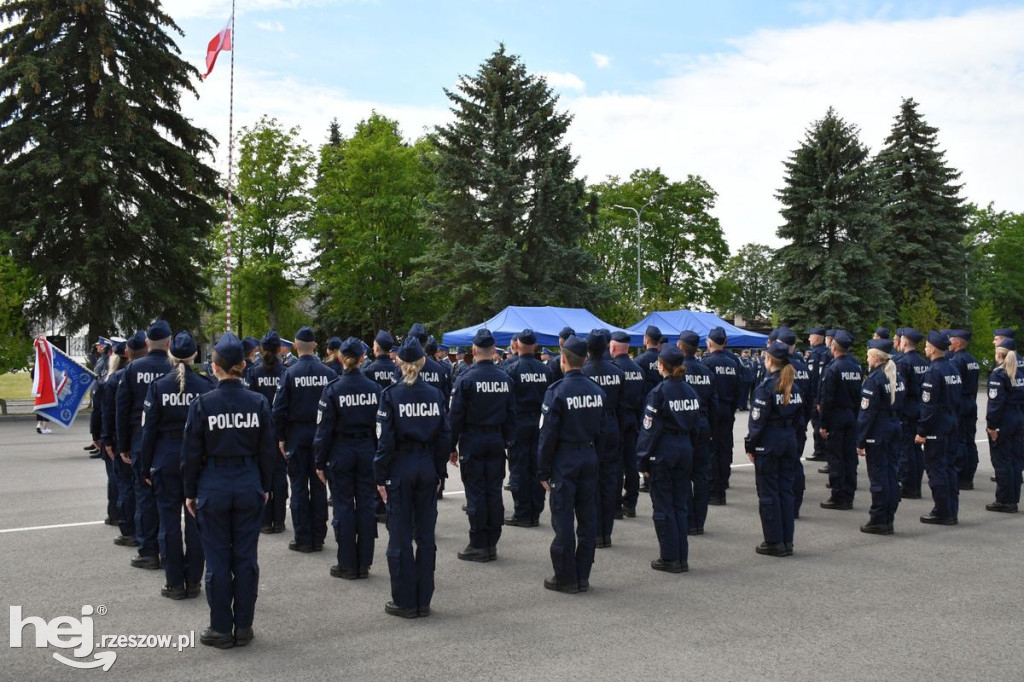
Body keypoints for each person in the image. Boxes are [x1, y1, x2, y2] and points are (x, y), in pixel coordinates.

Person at [182, 333, 277, 649]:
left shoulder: (204, 404)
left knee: (218, 559)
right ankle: (244, 627)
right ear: (241, 365)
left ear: (216, 366)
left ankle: (221, 628)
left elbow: (191, 454)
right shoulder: (258, 402)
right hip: (248, 482)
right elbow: (267, 451)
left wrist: (190, 492)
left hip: (215, 484)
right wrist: (264, 486)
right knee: (246, 559)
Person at [374, 337, 450, 618]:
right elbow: (444, 437)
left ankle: (405, 600)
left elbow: (385, 442)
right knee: (426, 535)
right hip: (427, 466)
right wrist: (439, 471)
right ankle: (423, 599)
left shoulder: (391, 395)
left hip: (401, 467)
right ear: (422, 363)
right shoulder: (435, 394)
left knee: (400, 535)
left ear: (399, 362)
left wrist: (380, 476)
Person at [139, 330, 215, 599]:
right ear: (195, 354)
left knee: (168, 523)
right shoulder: (206, 386)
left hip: (165, 458)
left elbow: (148, 431)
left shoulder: (159, 386)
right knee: (196, 523)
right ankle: (193, 580)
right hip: (197, 460)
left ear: (170, 351)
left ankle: (174, 582)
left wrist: (144, 465)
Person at [537, 335, 607, 593]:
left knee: (563, 518)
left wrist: (542, 470)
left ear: (563, 360)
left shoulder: (557, 391)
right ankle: (583, 574)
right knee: (588, 518)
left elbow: (547, 436)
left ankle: (565, 576)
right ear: (585, 360)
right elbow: (603, 431)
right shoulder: (597, 391)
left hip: (565, 460)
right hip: (589, 457)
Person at [313, 337, 382, 579]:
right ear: (363, 358)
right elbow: (381, 428)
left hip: (341, 451)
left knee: (343, 507)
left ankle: (347, 564)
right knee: (365, 506)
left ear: (341, 358)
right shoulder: (374, 389)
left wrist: (319, 461)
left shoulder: (333, 389)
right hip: (366, 451)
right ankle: (364, 562)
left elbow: (323, 430)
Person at [448, 328, 515, 561]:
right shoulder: (505, 379)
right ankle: (491, 543)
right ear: (494, 351)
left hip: (473, 441)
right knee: (493, 491)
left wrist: (451, 446)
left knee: (476, 493)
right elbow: (510, 414)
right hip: (496, 440)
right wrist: (506, 440)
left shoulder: (466, 379)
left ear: (474, 350)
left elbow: (455, 416)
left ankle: (479, 544)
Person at [636, 344, 701, 573]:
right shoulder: (690, 390)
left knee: (663, 507)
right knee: (680, 504)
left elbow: (649, 429)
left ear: (661, 365)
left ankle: (669, 557)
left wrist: (642, 460)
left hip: (664, 450)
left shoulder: (659, 392)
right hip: (684, 447)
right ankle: (681, 557)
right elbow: (696, 424)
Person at [272, 327, 337, 553]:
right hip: (321, 435)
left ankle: (303, 537)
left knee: (299, 486)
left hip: (297, 436)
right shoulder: (328, 373)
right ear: (316, 346)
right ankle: (318, 536)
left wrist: (280, 437)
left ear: (296, 346)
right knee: (319, 485)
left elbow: (279, 409)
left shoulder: (289, 373)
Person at [116, 319, 174, 570]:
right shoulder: (176, 368)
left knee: (145, 499)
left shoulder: (133, 369)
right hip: (171, 443)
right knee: (170, 501)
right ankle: (168, 550)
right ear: (170, 343)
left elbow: (122, 407)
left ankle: (149, 550)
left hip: (140, 441)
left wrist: (122, 444)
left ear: (148, 342)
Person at [745, 341, 804, 557]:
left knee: (769, 493)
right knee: (785, 492)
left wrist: (750, 445)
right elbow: (800, 420)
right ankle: (787, 541)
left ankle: (773, 541)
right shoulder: (794, 386)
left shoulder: (766, 388)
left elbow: (757, 423)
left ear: (769, 360)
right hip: (788, 442)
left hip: (769, 444)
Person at [581, 330, 625, 548]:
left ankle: (594, 531)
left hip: (590, 429)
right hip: (611, 427)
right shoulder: (617, 372)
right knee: (609, 481)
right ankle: (605, 533)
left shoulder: (583, 372)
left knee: (591, 483)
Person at [856, 339, 905, 534]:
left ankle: (878, 519)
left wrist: (860, 439)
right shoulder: (896, 377)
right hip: (894, 427)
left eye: (868, 355)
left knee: (878, 478)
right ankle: (888, 517)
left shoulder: (874, 379)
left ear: (876, 358)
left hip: (878, 431)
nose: (867, 358)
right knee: (891, 475)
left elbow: (867, 414)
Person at [505, 329, 553, 527]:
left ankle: (523, 512)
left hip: (519, 424)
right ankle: (535, 510)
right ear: (535, 346)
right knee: (537, 467)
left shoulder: (512, 369)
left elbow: (507, 401)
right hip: (540, 424)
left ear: (516, 345)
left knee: (519, 468)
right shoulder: (546, 369)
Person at [915, 331, 961, 525]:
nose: (925, 348)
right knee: (950, 467)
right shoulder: (953, 368)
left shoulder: (933, 371)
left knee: (937, 469)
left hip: (937, 426)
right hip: (951, 422)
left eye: (926, 345)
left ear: (933, 349)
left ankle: (942, 511)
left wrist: (922, 431)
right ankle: (951, 509)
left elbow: (928, 406)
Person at [245, 331, 288, 534]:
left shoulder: (254, 372)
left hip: (258, 430)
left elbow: (249, 401)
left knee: (263, 474)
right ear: (279, 349)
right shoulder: (286, 371)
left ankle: (264, 520)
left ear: (261, 349)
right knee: (279, 475)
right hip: (280, 431)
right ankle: (279, 520)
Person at [818, 330, 862, 511]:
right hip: (851, 415)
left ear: (834, 347)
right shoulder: (856, 367)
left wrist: (823, 424)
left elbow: (827, 399)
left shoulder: (833, 368)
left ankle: (838, 496)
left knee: (836, 457)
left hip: (836, 417)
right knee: (850, 457)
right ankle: (849, 494)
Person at [677, 331, 716, 534]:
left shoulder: (679, 371)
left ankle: (688, 518)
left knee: (683, 475)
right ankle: (698, 521)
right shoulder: (706, 371)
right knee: (700, 475)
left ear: (681, 348)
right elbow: (713, 403)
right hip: (703, 424)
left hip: (684, 427)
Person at [610, 331, 645, 519]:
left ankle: (615, 505)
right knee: (631, 463)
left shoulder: (614, 369)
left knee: (615, 464)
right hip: (633, 419)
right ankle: (631, 503)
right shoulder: (638, 369)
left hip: (617, 420)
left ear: (613, 347)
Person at [985, 339, 1023, 513]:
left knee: (1002, 461)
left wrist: (992, 426)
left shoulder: (999, 374)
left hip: (1004, 421)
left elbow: (996, 403)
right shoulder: (1019, 373)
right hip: (1018, 418)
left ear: (999, 354)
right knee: (1015, 460)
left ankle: (1004, 500)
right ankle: (1013, 498)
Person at [703, 327, 739, 508]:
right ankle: (723, 482)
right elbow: (740, 388)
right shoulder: (734, 362)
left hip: (714, 410)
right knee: (725, 447)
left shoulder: (707, 363)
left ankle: (714, 489)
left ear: (709, 343)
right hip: (727, 408)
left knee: (712, 450)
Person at [777, 328, 812, 518]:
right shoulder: (804, 367)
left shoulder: (781, 367)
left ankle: (786, 506)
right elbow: (810, 398)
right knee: (795, 464)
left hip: (782, 427)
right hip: (798, 423)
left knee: (782, 469)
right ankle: (795, 505)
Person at [896, 328, 929, 499]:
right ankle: (915, 484)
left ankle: (909, 486)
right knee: (917, 450)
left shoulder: (903, 363)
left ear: (905, 342)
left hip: (907, 410)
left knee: (906, 450)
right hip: (920, 407)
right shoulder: (923, 362)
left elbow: (901, 390)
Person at [947, 331, 980, 490]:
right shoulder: (972, 360)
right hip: (971, 402)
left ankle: (961, 476)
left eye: (951, 341)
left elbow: (954, 386)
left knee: (959, 439)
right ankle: (969, 475)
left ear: (958, 343)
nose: (949, 344)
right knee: (969, 439)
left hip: (960, 402)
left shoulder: (957, 361)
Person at [805, 327, 830, 462]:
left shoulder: (815, 354)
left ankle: (820, 450)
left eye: (811, 336)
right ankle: (822, 449)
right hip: (820, 393)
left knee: (817, 422)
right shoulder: (825, 352)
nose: (809, 339)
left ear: (817, 337)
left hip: (816, 394)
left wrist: (814, 397)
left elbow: (813, 377)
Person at [634, 325, 664, 395]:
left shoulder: (639, 361)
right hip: (662, 398)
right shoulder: (665, 360)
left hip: (645, 400)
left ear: (646, 340)